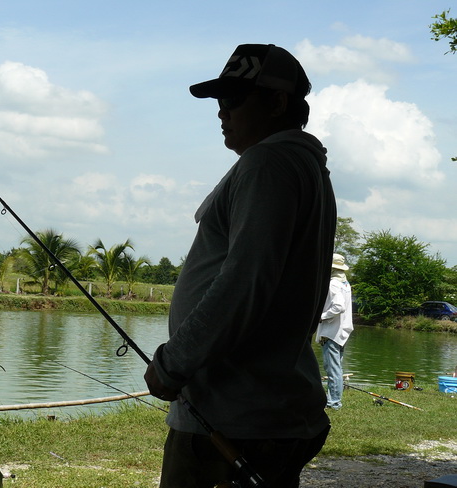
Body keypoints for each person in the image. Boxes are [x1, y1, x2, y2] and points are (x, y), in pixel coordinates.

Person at [144, 43, 337, 487]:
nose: (220, 113)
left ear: (277, 102)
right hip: (264, 409)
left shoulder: (268, 163)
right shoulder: (303, 168)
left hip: (235, 416)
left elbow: (244, 282)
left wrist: (173, 363)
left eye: (232, 100)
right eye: (218, 101)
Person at [316, 253, 353, 410]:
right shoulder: (345, 284)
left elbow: (338, 306)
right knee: (337, 367)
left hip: (332, 331)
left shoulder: (333, 284)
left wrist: (321, 317)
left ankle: (334, 402)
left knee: (333, 369)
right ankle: (334, 400)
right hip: (342, 331)